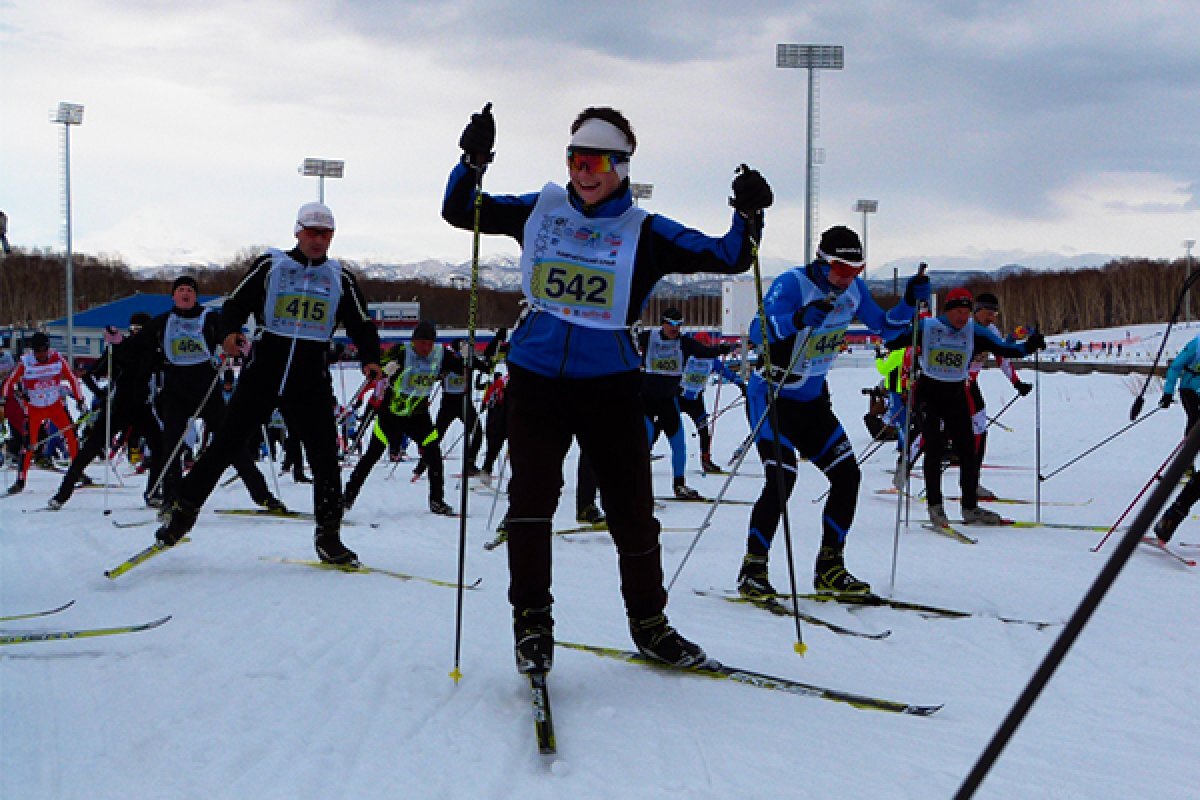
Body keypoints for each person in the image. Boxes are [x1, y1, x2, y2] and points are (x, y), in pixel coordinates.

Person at [443, 102, 772, 672]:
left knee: (631, 512)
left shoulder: (644, 231)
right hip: (537, 379)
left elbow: (730, 256)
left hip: (611, 385)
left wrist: (748, 214)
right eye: (575, 157)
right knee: (531, 503)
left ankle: (649, 623)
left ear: (620, 166)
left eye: (595, 159)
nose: (583, 170)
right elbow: (460, 211)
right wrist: (472, 161)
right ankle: (532, 623)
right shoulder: (540, 211)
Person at [151, 202, 381, 566]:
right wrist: (228, 334)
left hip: (310, 377)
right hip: (265, 370)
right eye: (312, 232)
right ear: (298, 232)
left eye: (325, 234)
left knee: (324, 457)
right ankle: (181, 517)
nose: (318, 240)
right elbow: (235, 305)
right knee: (224, 444)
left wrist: (370, 358)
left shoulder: (340, 278)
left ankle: (329, 537)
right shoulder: (272, 265)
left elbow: (361, 323)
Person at [736, 226, 930, 598]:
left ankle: (830, 568)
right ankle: (753, 569)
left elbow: (887, 330)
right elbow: (757, 331)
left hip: (812, 401)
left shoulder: (853, 290)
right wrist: (795, 320)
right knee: (782, 480)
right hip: (773, 396)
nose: (847, 278)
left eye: (856, 269)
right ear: (822, 261)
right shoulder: (793, 284)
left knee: (847, 478)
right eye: (841, 269)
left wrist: (908, 301)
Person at [893, 287, 1045, 528]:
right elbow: (897, 341)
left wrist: (1029, 346)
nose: (963, 318)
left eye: (966, 312)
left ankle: (970, 507)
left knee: (967, 451)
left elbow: (1004, 351)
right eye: (959, 312)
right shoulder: (929, 327)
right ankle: (935, 507)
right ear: (948, 311)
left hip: (956, 394)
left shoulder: (975, 331)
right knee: (934, 447)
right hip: (929, 392)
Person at [132, 276, 283, 512]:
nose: (185, 294)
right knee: (171, 445)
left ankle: (262, 495)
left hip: (206, 388)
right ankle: (171, 498)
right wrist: (118, 342)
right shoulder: (164, 322)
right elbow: (138, 345)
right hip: (175, 390)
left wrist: (239, 342)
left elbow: (227, 334)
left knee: (230, 442)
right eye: (180, 290)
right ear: (173, 296)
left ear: (195, 296)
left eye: (189, 290)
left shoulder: (209, 318)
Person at [343, 322, 457, 516]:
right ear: (414, 342)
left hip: (418, 416)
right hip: (391, 414)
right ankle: (346, 498)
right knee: (372, 456)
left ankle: (437, 501)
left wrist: (466, 358)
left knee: (434, 455)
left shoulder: (440, 354)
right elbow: (374, 366)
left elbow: (461, 366)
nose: (426, 348)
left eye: (429, 343)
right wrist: (384, 369)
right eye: (422, 343)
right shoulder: (401, 351)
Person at [48, 314, 162, 508]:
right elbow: (91, 374)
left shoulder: (153, 350)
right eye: (135, 329)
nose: (138, 333)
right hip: (118, 407)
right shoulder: (118, 348)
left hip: (141, 407)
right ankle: (62, 493)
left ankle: (153, 492)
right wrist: (100, 394)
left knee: (160, 447)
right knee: (92, 447)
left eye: (142, 329)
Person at [639, 308, 731, 497]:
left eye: (678, 325)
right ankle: (635, 486)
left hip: (669, 399)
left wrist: (722, 349)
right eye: (671, 324)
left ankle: (679, 485)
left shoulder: (684, 343)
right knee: (644, 442)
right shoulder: (648, 337)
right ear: (662, 323)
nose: (675, 329)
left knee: (679, 443)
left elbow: (704, 351)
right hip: (645, 400)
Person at [966, 292, 1032, 500]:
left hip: (970, 384)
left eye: (995, 313)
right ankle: (904, 465)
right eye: (988, 312)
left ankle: (972, 482)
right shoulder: (966, 328)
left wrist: (1017, 383)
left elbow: (1002, 358)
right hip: (953, 384)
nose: (992, 317)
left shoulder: (992, 331)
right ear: (977, 311)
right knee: (941, 428)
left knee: (980, 428)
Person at [2, 332, 85, 494]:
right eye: (37, 351)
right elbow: (8, 384)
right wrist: (8, 398)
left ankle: (76, 473)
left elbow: (72, 379)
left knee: (72, 436)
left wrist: (79, 398)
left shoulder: (58, 359)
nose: (41, 354)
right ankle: (20, 480)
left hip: (55, 406)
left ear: (48, 348)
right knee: (30, 444)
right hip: (34, 409)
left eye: (43, 350)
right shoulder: (25, 362)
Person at [1160, 332, 1200, 477]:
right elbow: (1176, 367)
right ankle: (1186, 465)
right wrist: (1168, 393)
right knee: (1195, 419)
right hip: (1189, 388)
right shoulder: (1195, 345)